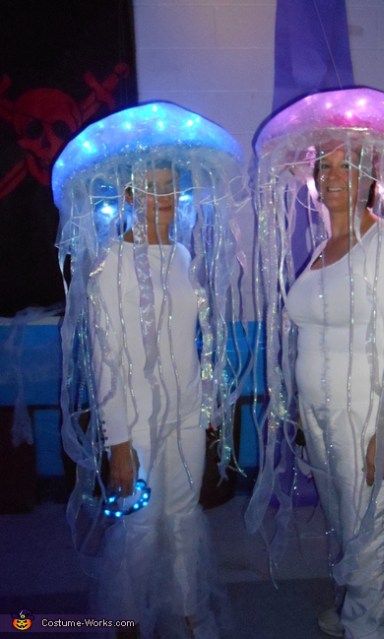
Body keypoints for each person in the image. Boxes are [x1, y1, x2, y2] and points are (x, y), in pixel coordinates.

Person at [247, 88, 384, 639]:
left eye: (345, 165)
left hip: (366, 416)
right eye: (323, 165)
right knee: (344, 521)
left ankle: (368, 626)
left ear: (368, 175)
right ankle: (357, 606)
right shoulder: (321, 249)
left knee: (370, 529)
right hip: (321, 416)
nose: (332, 176)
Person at [52, 102, 243, 639]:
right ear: (130, 195)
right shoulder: (108, 266)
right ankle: (127, 620)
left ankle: (187, 610)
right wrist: (117, 441)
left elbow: (192, 340)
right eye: (151, 189)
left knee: (182, 518)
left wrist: (207, 404)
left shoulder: (182, 256)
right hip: (134, 421)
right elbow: (106, 361)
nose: (164, 200)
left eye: (170, 188)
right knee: (139, 525)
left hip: (185, 414)